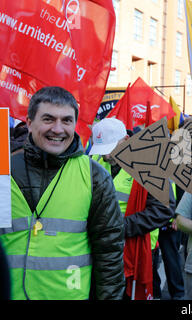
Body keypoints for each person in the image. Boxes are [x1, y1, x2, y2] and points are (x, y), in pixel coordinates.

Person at [0, 86, 125, 300]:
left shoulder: (95, 176)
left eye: (66, 121)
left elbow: (109, 254)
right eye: (48, 119)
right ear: (29, 123)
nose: (58, 129)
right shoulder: (4, 170)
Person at [88, 118, 180, 299]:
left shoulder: (148, 165)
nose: (106, 156)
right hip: (104, 246)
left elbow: (164, 209)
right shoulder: (96, 160)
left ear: (125, 141)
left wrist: (120, 227)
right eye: (102, 150)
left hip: (139, 247)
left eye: (110, 149)